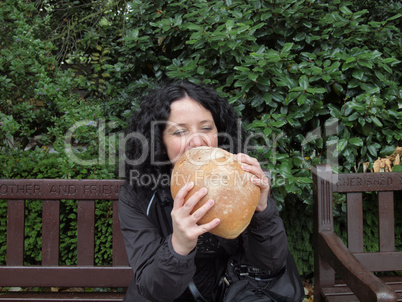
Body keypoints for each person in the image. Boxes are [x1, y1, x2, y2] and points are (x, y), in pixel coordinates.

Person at [118, 81, 297, 302]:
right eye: (180, 131)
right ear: (160, 142)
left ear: (219, 133)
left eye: (206, 128)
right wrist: (179, 246)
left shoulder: (241, 180)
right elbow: (153, 289)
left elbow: (270, 264)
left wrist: (262, 210)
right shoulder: (137, 195)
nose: (197, 141)